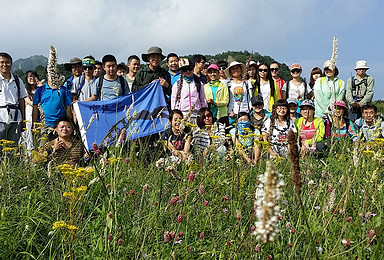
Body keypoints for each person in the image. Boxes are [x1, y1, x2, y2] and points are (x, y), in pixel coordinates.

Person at [0, 52, 27, 144]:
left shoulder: (17, 80)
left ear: (11, 64)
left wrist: (24, 118)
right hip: (0, 117)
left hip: (16, 118)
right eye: (2, 62)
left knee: (12, 148)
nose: (5, 65)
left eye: (7, 62)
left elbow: (22, 100)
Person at [171, 58, 207, 123]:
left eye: (189, 69)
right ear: (181, 71)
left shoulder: (198, 83)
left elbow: (203, 99)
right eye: (185, 70)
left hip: (196, 113)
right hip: (183, 114)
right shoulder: (177, 84)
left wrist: (204, 111)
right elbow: (174, 100)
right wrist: (175, 113)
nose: (188, 71)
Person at [23, 70, 41, 150]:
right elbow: (28, 101)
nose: (32, 78)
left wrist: (40, 86)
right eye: (30, 77)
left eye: (34, 76)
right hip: (29, 114)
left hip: (40, 114)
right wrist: (37, 105)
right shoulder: (25, 90)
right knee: (30, 133)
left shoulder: (41, 89)